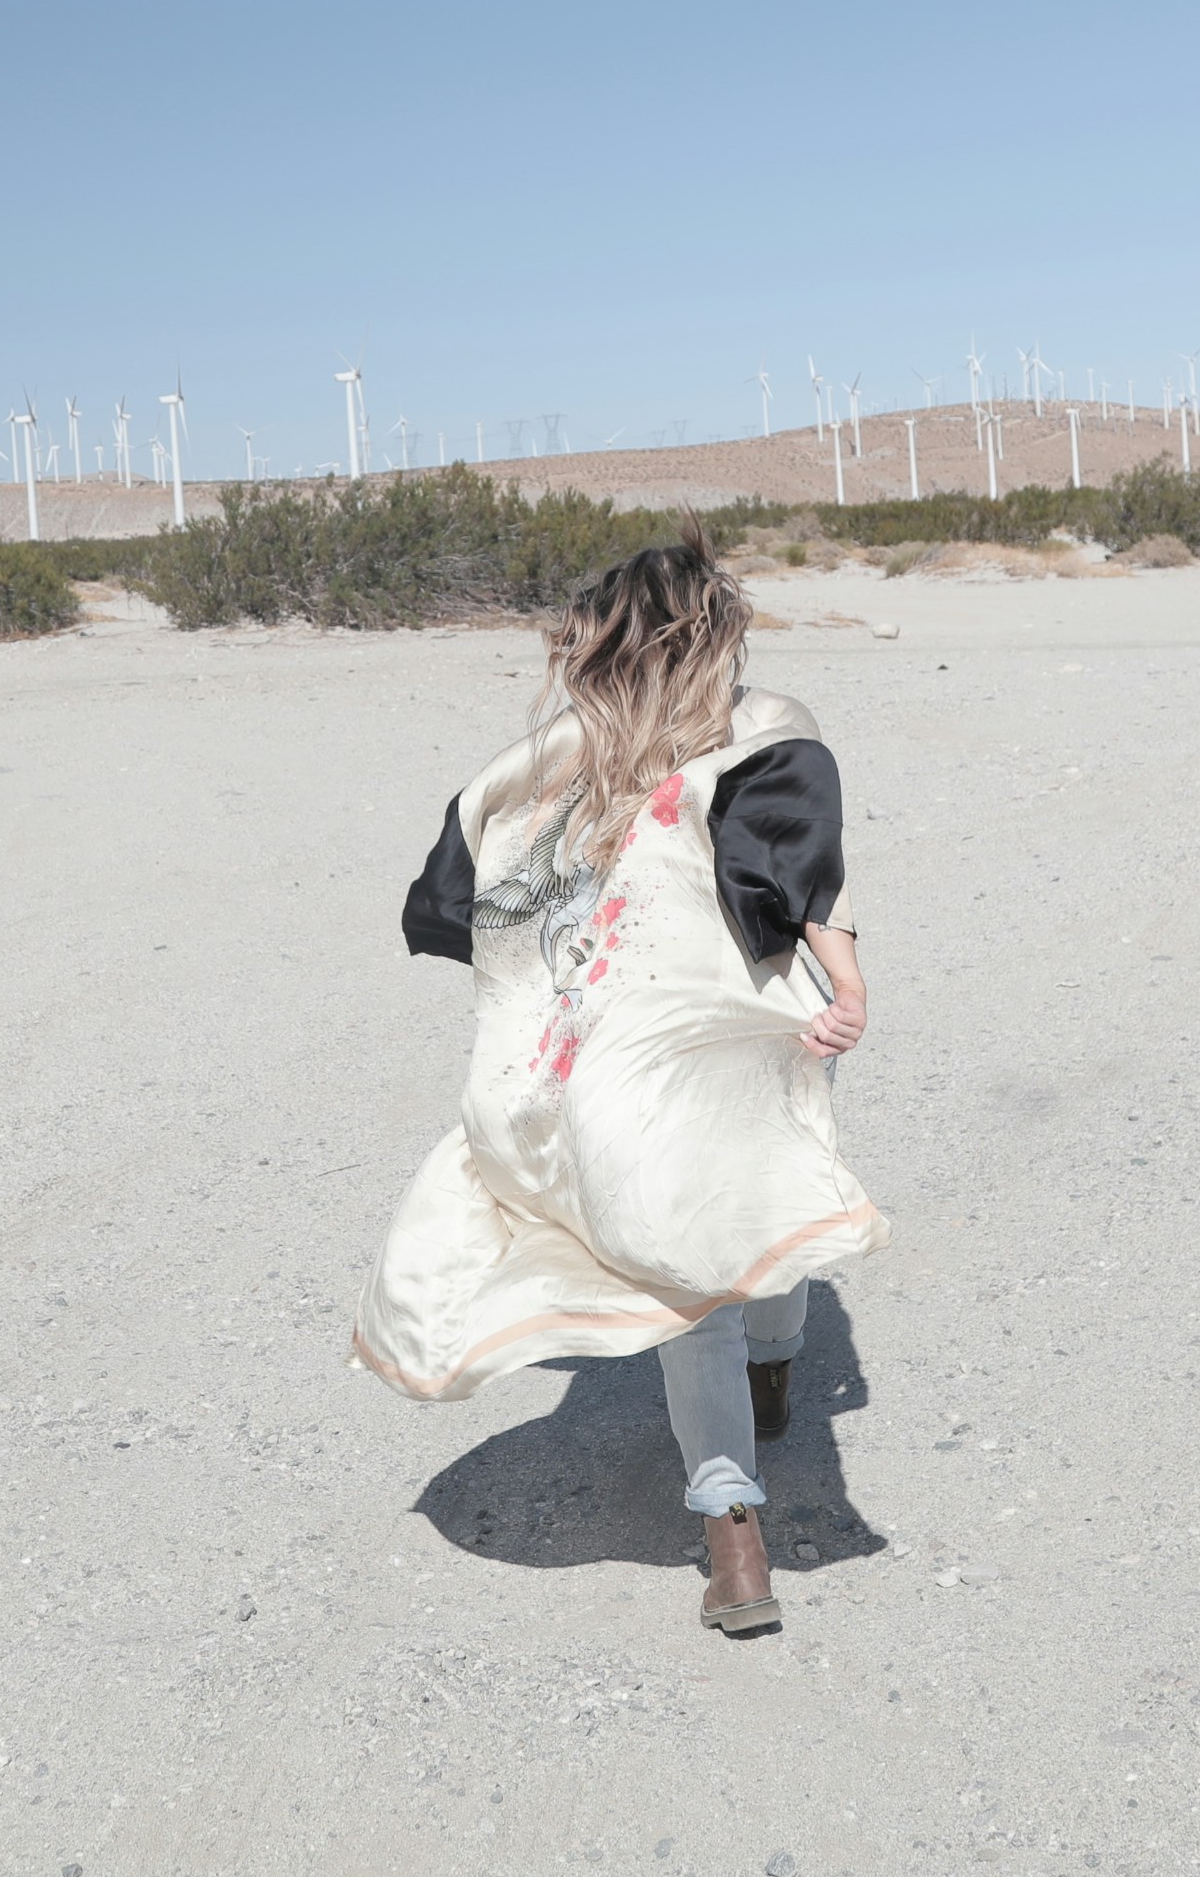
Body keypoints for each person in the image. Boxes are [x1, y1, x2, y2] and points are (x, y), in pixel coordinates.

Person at [352, 525, 884, 1635]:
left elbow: (461, 869)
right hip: (703, 1038)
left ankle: (735, 1538)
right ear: (714, 635)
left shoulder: (558, 753)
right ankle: (774, 1379)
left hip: (579, 1059)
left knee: (670, 1272)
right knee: (748, 1200)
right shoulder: (765, 730)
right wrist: (847, 981)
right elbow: (790, 873)